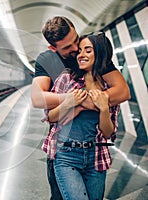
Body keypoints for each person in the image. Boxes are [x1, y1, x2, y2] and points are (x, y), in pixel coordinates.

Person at [30, 16, 130, 200]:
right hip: (64, 150)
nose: (76, 50)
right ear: (53, 48)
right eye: (68, 47)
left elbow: (123, 92)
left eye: (75, 39)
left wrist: (82, 105)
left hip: (95, 152)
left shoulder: (91, 51)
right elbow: (37, 98)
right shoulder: (49, 61)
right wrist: (71, 100)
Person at [46, 32, 120, 200]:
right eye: (80, 50)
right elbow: (51, 117)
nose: (81, 55)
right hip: (66, 155)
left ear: (100, 53)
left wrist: (103, 110)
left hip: (96, 156)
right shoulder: (66, 79)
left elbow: (108, 133)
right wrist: (68, 103)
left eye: (88, 50)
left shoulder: (109, 88)